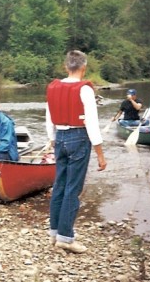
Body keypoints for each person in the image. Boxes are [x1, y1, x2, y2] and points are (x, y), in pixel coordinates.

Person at [45, 50, 107, 253]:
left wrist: (53, 140)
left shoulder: (53, 87)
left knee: (59, 186)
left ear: (66, 67)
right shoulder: (85, 89)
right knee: (73, 188)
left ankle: (54, 233)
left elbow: (49, 117)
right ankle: (65, 237)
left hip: (60, 137)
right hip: (79, 138)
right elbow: (91, 123)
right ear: (84, 67)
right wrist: (100, 153)